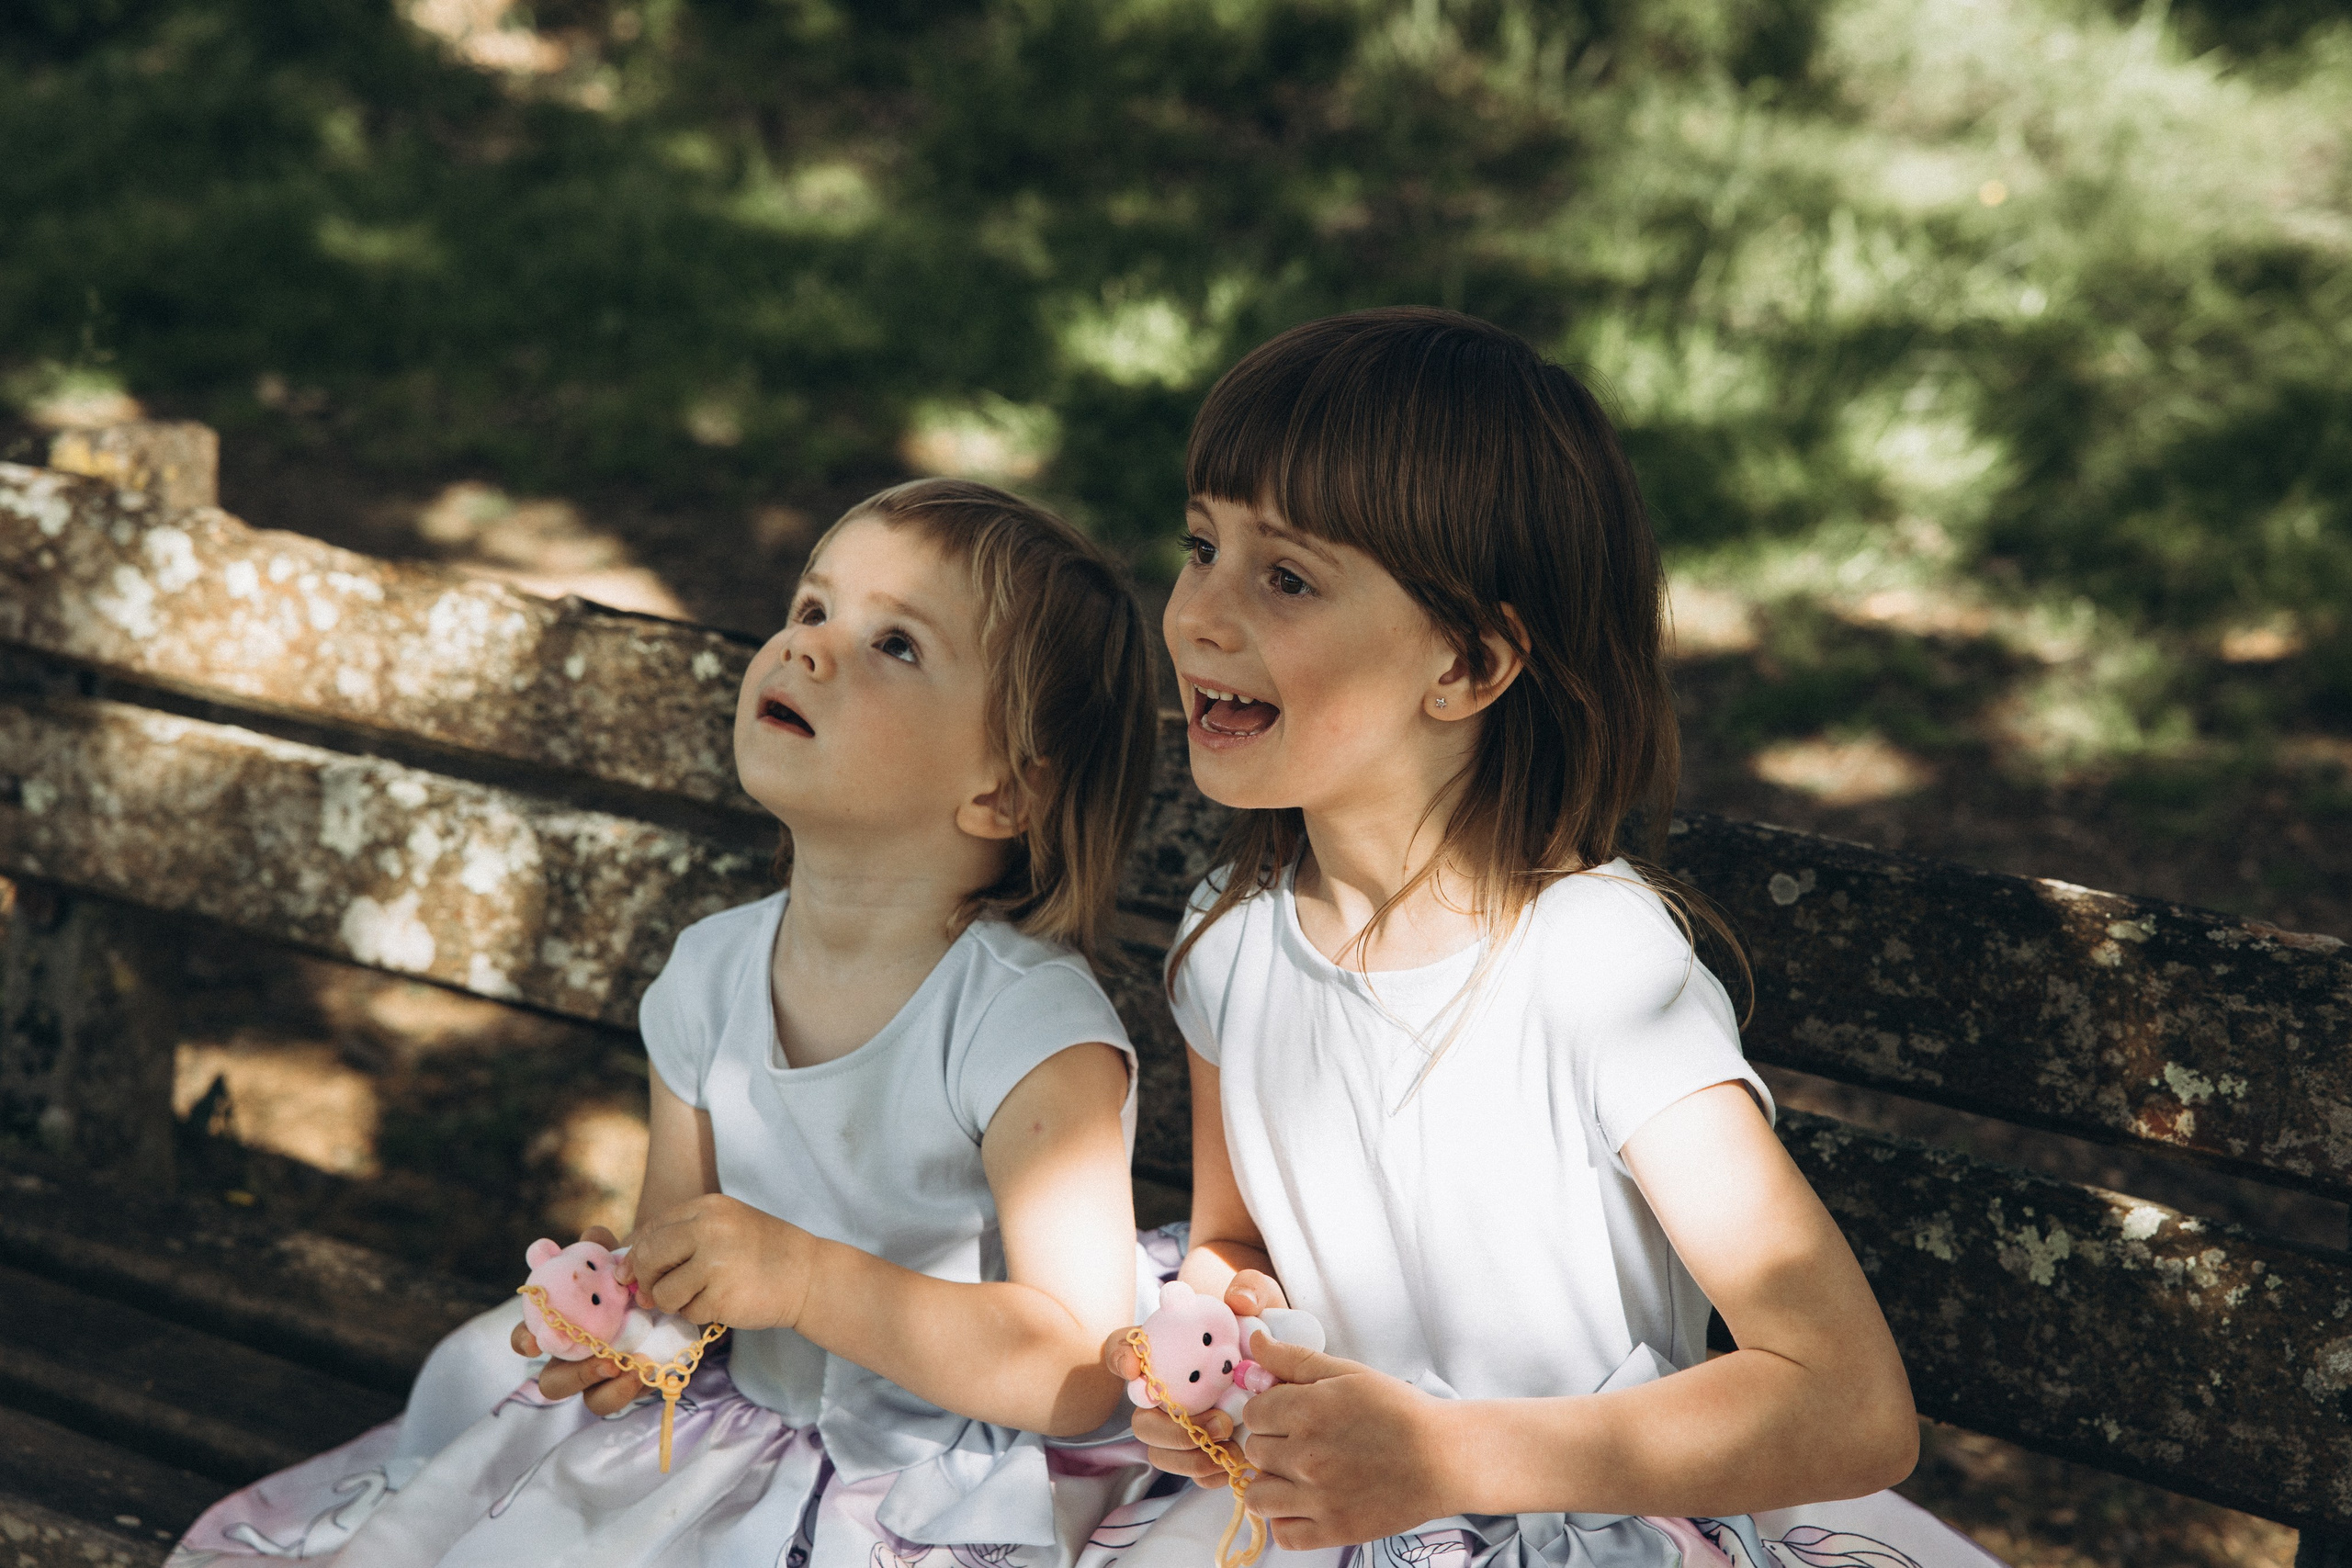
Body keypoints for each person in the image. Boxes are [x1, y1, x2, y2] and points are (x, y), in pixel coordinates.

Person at [1089, 309, 2002, 1568]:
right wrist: (1216, 1343)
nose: (1196, 614)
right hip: (1337, 1521)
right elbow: (1237, 1241)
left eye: (1285, 576)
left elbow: (1847, 1401)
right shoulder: (1230, 943)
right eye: (1201, 545)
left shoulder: (1595, 972)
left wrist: (1444, 1456)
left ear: (1466, 662)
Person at [169, 479, 1164, 1568]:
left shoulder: (1026, 1029)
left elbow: (1076, 1368)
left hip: (938, 1478)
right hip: (755, 1422)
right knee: (479, 1396)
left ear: (1006, 793)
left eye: (896, 645)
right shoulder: (713, 973)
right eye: (811, 609)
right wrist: (631, 1325)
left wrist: (807, 1282)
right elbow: (674, 1252)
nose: (810, 651)